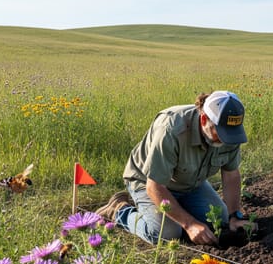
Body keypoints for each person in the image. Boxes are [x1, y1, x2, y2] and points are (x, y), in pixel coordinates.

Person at [97, 91, 257, 246]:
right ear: (203, 120)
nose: (225, 139)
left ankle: (179, 209)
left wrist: (234, 215)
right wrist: (189, 224)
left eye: (231, 133)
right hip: (148, 182)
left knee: (220, 219)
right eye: (220, 132)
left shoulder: (230, 134)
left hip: (190, 183)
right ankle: (119, 211)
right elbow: (154, 186)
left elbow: (231, 175)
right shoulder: (171, 128)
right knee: (166, 234)